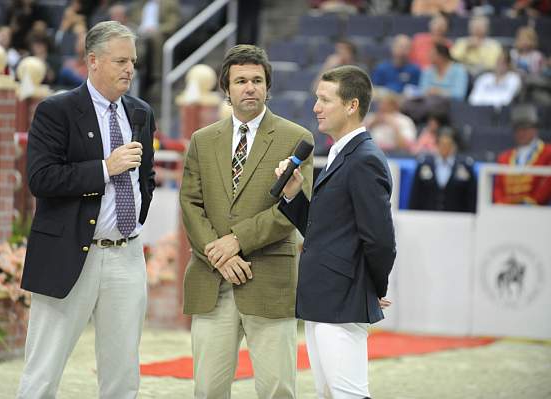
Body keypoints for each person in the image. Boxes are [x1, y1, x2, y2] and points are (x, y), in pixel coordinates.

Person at [16, 21, 156, 398]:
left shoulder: (141, 112)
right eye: (121, 61)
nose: (130, 69)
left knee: (123, 373)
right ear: (93, 61)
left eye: (133, 62)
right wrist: (104, 168)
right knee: (43, 370)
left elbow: (147, 176)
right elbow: (41, 179)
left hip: (126, 254)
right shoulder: (56, 110)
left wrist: (135, 220)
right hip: (69, 253)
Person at [179, 44, 314, 399]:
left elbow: (292, 208)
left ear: (268, 87)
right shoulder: (202, 141)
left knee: (278, 390)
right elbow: (191, 205)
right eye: (240, 81)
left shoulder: (296, 138)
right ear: (227, 88)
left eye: (257, 80)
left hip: (270, 283)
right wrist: (219, 254)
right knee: (207, 389)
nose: (249, 87)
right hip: (213, 280)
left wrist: (235, 241)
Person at [276, 65, 396, 399]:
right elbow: (324, 232)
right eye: (317, 99)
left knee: (348, 394)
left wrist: (372, 286)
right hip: (325, 298)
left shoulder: (363, 159)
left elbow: (380, 239)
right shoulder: (342, 154)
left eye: (325, 100)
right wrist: (292, 195)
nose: (316, 107)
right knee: (329, 393)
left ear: (351, 105)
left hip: (342, 299)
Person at [493, 104, 551, 205]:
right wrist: (502, 205)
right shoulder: (504, 158)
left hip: (536, 211)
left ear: (535, 129)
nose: (521, 133)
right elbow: (498, 187)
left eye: (526, 129)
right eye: (518, 130)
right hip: (507, 211)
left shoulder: (547, 153)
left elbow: (546, 184)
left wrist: (533, 202)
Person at [409, 127, 477, 212]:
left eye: (448, 144)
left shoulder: (465, 166)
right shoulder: (424, 164)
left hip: (457, 218)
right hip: (427, 216)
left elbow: (471, 196)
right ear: (437, 145)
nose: (445, 148)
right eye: (442, 144)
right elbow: (415, 194)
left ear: (454, 145)